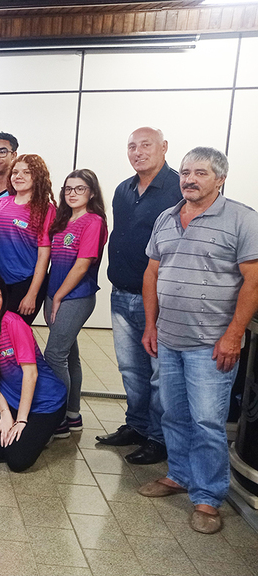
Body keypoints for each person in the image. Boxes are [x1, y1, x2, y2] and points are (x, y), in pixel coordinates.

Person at [138, 147, 258, 535]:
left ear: (220, 178)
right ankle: (179, 474)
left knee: (207, 420)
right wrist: (150, 324)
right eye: (186, 172)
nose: (189, 179)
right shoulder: (167, 218)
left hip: (212, 343)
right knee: (173, 413)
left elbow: (253, 281)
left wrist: (234, 334)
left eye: (200, 173)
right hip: (169, 336)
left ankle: (208, 497)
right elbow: (152, 273)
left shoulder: (241, 219)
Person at [96, 127, 181, 466]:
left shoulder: (177, 189)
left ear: (164, 147)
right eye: (132, 146)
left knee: (160, 373)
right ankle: (137, 425)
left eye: (146, 145)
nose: (138, 152)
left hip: (158, 299)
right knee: (132, 369)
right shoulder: (123, 189)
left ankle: (159, 439)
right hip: (121, 293)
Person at [0, 273, 68, 472]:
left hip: (46, 402)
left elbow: (31, 374)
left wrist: (21, 420)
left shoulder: (14, 324)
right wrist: (5, 412)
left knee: (17, 461)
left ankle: (44, 431)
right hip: (13, 400)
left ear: (3, 299)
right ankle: (29, 431)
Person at [43, 169, 108, 439]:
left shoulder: (93, 221)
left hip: (75, 296)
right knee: (69, 355)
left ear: (91, 192)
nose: (72, 193)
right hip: (53, 293)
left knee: (54, 356)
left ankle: (55, 420)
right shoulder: (62, 220)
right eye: (68, 189)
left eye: (80, 189)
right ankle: (72, 415)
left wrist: (58, 296)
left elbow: (83, 264)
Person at [0, 154, 56, 325]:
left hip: (24, 283)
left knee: (13, 335)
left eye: (26, 172)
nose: (19, 176)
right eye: (15, 172)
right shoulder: (0, 204)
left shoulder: (45, 210)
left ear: (38, 177)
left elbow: (43, 256)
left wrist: (32, 294)